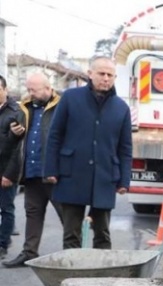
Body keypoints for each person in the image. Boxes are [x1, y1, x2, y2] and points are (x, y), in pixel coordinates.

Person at [43, 56, 132, 249]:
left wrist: (124, 180)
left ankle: (100, 277)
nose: (106, 78)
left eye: (110, 75)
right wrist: (51, 169)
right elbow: (55, 135)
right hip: (72, 174)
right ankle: (72, 277)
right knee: (71, 236)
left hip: (105, 177)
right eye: (101, 73)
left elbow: (125, 148)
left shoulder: (121, 108)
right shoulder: (70, 98)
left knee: (102, 235)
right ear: (90, 74)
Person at [3, 73, 63, 268]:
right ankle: (29, 253)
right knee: (32, 214)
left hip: (54, 175)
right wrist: (13, 134)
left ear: (48, 88)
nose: (30, 94)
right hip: (31, 173)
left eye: (34, 90)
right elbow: (15, 145)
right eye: (28, 90)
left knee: (67, 216)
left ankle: (75, 253)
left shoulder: (61, 107)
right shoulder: (24, 109)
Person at [0, 75, 26, 260]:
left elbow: (18, 148)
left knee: (6, 208)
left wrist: (9, 174)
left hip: (6, 169)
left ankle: (2, 244)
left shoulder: (16, 111)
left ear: (5, 89)